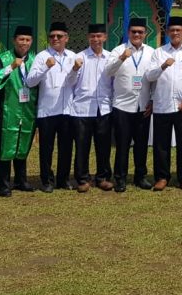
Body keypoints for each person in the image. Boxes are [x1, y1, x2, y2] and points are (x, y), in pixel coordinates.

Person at [146, 16, 182, 191]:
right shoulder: (159, 52)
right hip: (162, 104)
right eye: (172, 30)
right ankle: (162, 177)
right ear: (167, 32)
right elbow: (149, 76)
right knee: (161, 144)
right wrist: (162, 66)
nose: (175, 33)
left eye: (178, 30)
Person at [26, 21, 81, 192]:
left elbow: (73, 82)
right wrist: (45, 67)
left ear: (66, 38)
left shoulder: (73, 56)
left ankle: (63, 179)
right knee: (46, 148)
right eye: (52, 36)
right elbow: (30, 81)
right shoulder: (42, 56)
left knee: (66, 147)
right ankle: (47, 180)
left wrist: (74, 70)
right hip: (47, 110)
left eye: (59, 36)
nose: (55, 39)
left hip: (66, 110)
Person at [0, 25, 38, 196]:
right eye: (21, 39)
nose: (24, 43)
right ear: (14, 40)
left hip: (28, 109)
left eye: (28, 40)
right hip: (8, 109)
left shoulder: (35, 60)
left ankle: (21, 180)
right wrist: (10, 67)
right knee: (6, 147)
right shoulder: (3, 58)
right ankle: (3, 184)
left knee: (23, 144)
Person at [103, 17, 153, 191]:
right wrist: (121, 58)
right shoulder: (118, 50)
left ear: (145, 34)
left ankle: (141, 176)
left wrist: (152, 100)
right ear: (128, 33)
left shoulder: (151, 52)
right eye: (134, 32)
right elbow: (108, 72)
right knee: (122, 145)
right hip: (122, 106)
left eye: (140, 32)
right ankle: (120, 178)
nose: (137, 35)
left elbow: (154, 79)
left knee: (141, 144)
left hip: (143, 106)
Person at [70, 23, 113, 192]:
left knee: (103, 145)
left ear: (105, 37)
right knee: (82, 145)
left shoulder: (110, 58)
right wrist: (74, 69)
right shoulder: (79, 57)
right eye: (93, 36)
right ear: (88, 38)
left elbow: (114, 83)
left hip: (103, 108)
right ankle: (82, 179)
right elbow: (70, 83)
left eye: (99, 36)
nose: (96, 39)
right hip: (82, 108)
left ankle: (102, 177)